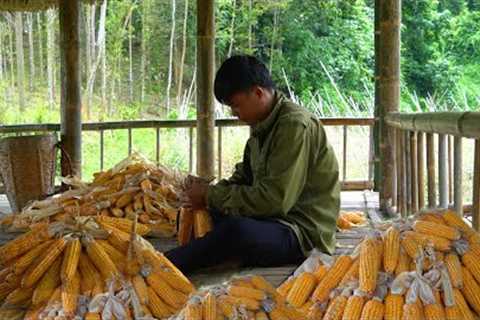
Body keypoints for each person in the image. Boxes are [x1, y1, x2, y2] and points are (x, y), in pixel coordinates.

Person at [165, 55, 340, 274]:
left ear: (258, 93)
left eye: (236, 106)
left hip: (299, 232)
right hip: (270, 219)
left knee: (236, 231)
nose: (234, 114)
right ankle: (224, 255)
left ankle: (165, 264)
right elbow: (243, 178)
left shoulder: (293, 126)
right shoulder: (262, 126)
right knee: (210, 213)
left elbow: (275, 201)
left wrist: (209, 196)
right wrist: (207, 193)